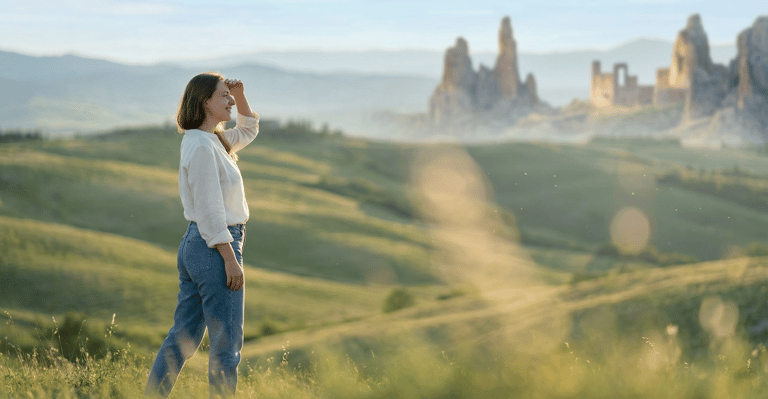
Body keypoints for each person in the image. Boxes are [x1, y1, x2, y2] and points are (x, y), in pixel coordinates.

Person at [146, 72, 259, 398]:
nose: (231, 101)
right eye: (224, 96)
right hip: (214, 248)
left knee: (184, 337)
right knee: (226, 346)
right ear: (204, 102)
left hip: (201, 246)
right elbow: (210, 210)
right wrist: (229, 258)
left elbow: (249, 129)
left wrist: (242, 93)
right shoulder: (200, 146)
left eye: (231, 95)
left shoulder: (214, 140)